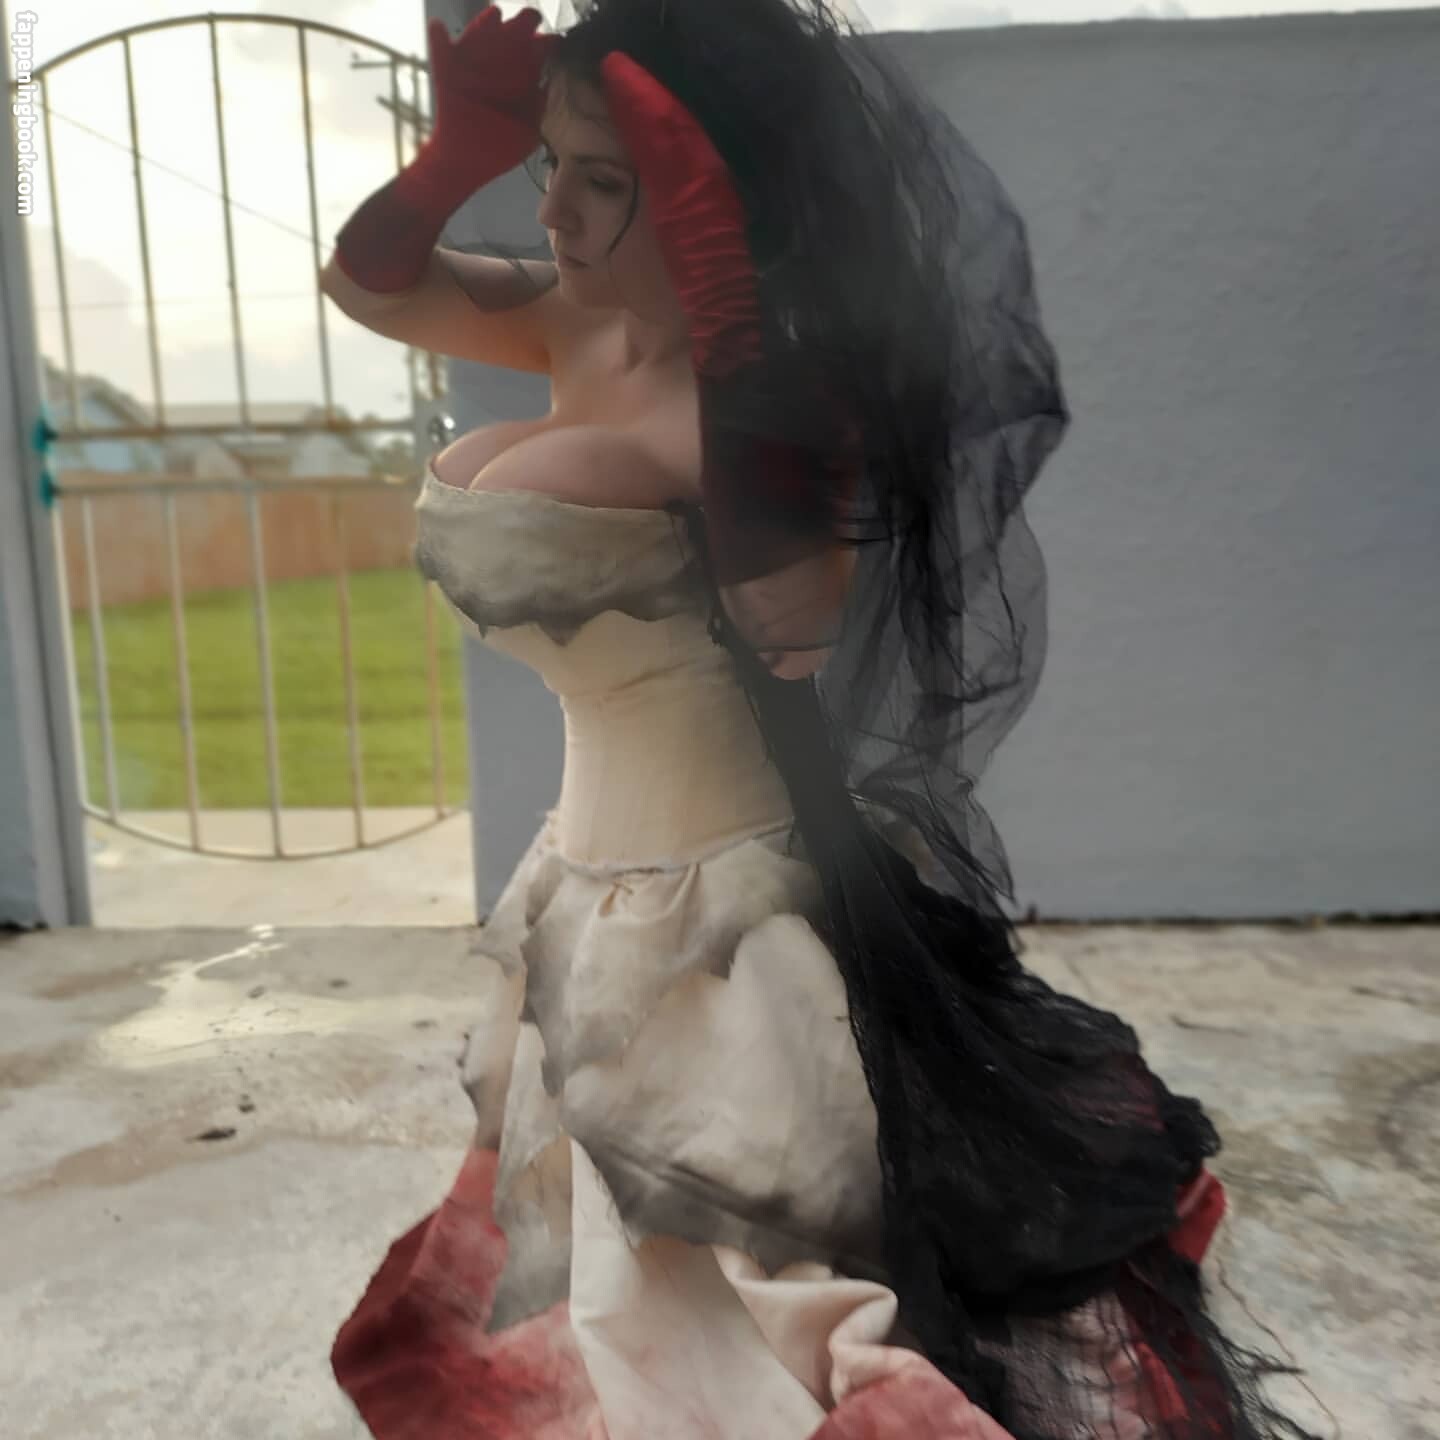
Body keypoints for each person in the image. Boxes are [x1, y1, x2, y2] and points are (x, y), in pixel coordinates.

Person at [320, 3, 1314, 1437]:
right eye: (545, 166)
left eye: (605, 179)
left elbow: (792, 616)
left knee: (775, 1277)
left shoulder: (800, 409)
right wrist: (450, 157)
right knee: (629, 1279)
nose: (553, 211)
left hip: (724, 916)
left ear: (720, 193)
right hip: (586, 885)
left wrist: (733, 328)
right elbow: (370, 286)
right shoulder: (574, 317)